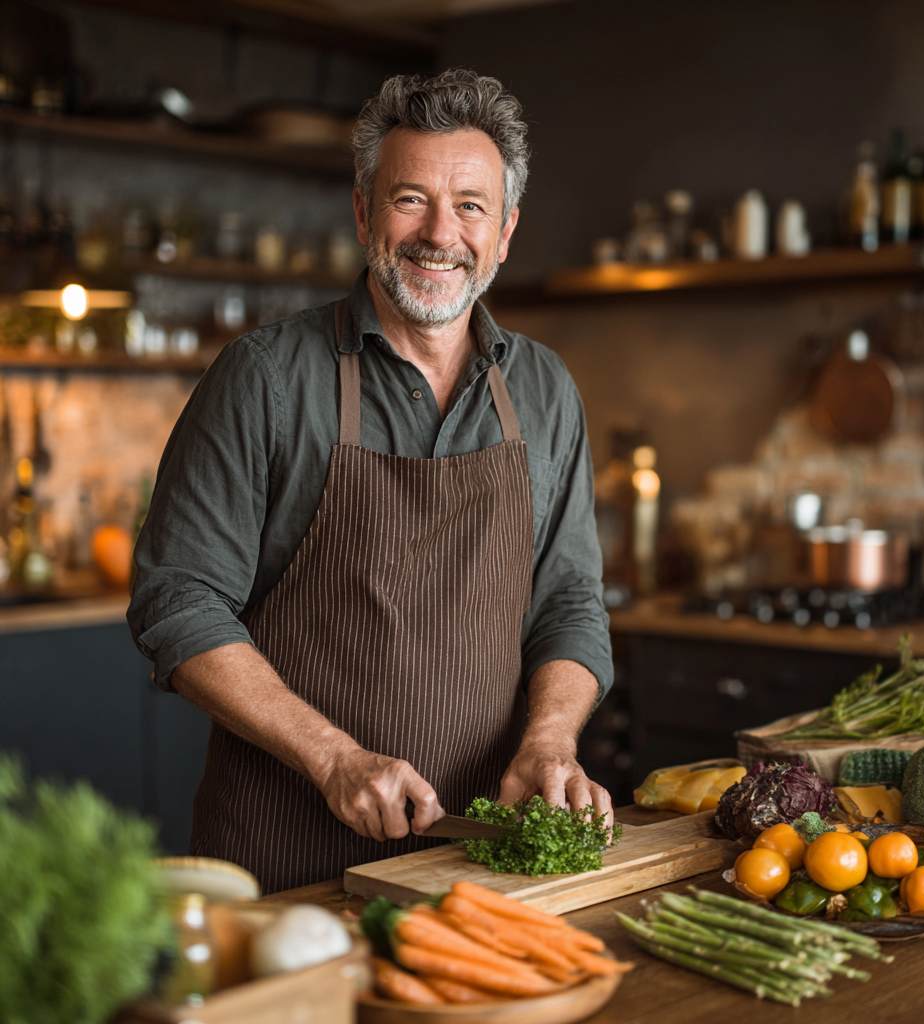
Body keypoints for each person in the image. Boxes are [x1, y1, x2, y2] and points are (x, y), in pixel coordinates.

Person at [128, 69, 613, 894]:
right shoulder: (267, 379)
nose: (439, 234)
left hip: (481, 860)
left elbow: (567, 601)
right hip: (289, 860)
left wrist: (550, 743)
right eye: (409, 199)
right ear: (362, 213)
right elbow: (177, 600)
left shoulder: (542, 389)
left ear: (505, 233)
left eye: (469, 206)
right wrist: (335, 758)